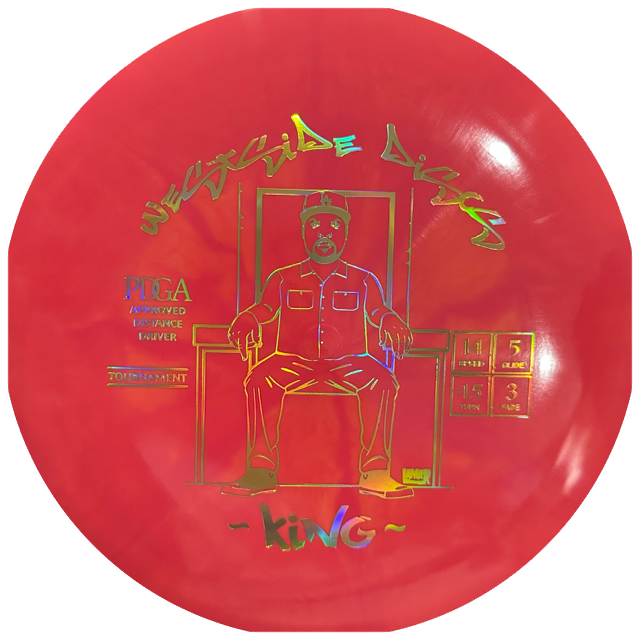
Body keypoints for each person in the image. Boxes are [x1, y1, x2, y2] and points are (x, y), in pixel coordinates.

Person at [223, 191, 413, 498]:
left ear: (346, 232)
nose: (325, 233)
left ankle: (376, 472)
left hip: (349, 361)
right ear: (303, 231)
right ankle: (261, 470)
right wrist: (247, 318)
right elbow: (266, 308)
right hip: (293, 360)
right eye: (315, 225)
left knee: (383, 382)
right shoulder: (283, 278)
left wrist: (390, 320)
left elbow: (377, 310)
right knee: (258, 380)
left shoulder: (363, 279)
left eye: (334, 225)